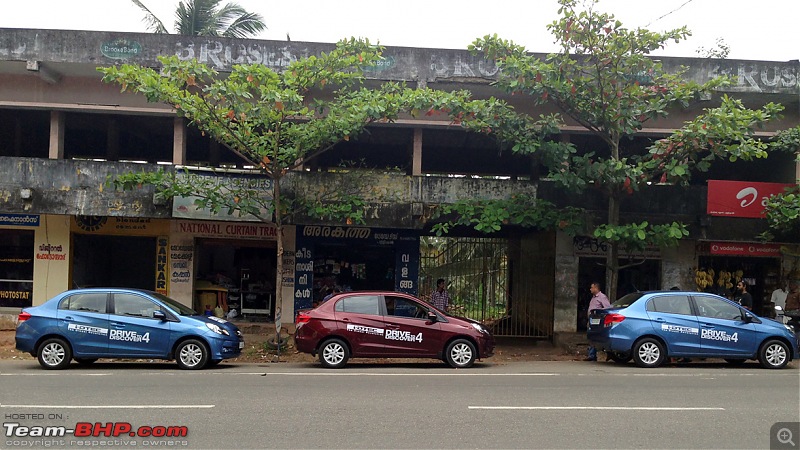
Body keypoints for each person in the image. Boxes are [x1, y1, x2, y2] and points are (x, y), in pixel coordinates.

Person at [585, 282, 611, 362]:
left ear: (596, 288)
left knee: (596, 337)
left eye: (591, 287)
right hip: (591, 320)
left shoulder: (602, 297)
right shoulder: (593, 297)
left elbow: (607, 308)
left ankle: (594, 354)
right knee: (591, 337)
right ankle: (591, 355)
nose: (590, 289)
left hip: (597, 321)